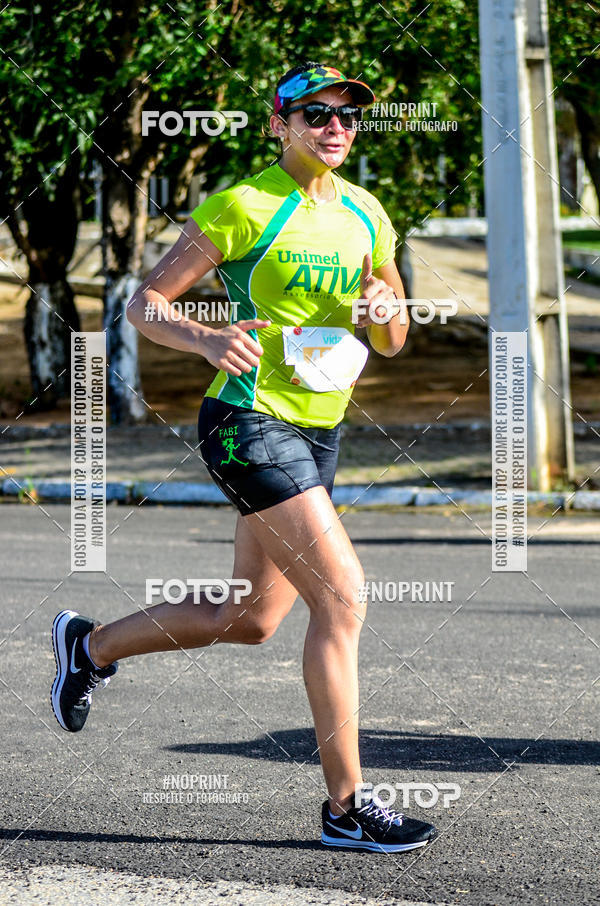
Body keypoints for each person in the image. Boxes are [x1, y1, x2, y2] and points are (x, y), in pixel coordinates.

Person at [51, 61, 437, 853]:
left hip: (319, 429)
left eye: (348, 116)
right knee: (343, 600)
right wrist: (203, 337)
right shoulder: (242, 206)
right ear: (279, 124)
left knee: (250, 617)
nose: (335, 127)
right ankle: (347, 808)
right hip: (247, 422)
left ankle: (89, 647)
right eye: (316, 114)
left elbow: (395, 339)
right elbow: (146, 303)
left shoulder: (368, 212)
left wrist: (386, 307)